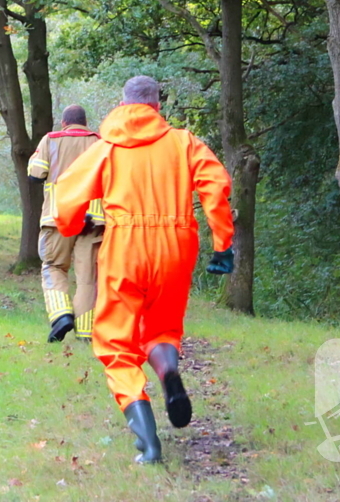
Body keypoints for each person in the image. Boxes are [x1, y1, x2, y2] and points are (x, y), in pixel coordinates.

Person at [52, 76, 235, 463]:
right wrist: (222, 244)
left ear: (124, 102)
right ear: (157, 104)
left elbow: (66, 193)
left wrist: (70, 227)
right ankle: (168, 371)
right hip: (176, 245)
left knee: (116, 342)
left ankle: (148, 439)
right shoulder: (184, 142)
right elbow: (216, 185)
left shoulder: (108, 147)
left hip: (125, 247)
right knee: (163, 328)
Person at [28, 105, 106, 343]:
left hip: (58, 218)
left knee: (53, 266)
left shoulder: (51, 140)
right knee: (87, 278)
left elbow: (35, 173)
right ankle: (85, 333)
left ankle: (61, 315)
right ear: (85, 123)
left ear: (64, 123)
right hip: (93, 220)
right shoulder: (101, 142)